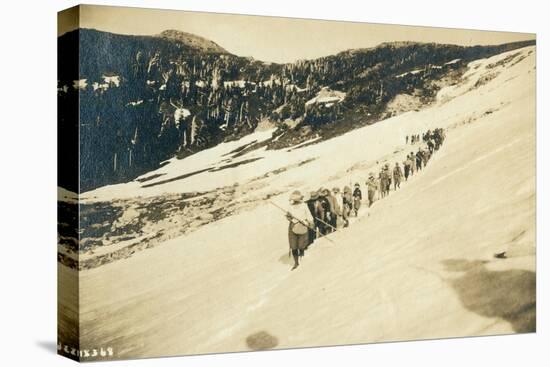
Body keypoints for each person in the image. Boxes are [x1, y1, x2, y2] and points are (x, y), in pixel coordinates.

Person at [286, 190, 314, 270]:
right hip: (293, 226)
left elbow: (309, 215)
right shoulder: (290, 206)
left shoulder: (304, 205)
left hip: (303, 225)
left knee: (301, 244)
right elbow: (288, 217)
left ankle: (301, 253)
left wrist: (310, 222)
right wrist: (289, 217)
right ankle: (296, 262)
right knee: (293, 245)